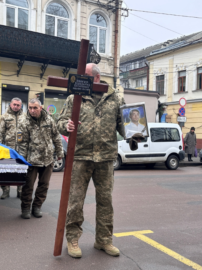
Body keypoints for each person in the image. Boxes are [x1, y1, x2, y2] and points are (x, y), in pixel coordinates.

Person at [57, 63, 125, 258]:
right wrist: (66, 125)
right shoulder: (74, 97)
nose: (80, 78)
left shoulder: (115, 99)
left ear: (95, 77)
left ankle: (103, 240)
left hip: (105, 158)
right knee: (76, 201)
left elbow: (124, 126)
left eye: (84, 75)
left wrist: (137, 133)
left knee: (105, 201)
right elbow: (60, 122)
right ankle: (72, 239)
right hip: (80, 156)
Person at [18, 98, 63, 219]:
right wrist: (22, 161)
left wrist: (59, 152)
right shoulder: (24, 122)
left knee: (44, 185)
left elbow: (56, 137)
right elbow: (22, 144)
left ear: (40, 108)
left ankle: (37, 206)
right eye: (30, 108)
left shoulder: (49, 119)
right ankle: (26, 208)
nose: (32, 110)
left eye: (35, 108)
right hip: (31, 160)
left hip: (47, 159)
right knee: (28, 185)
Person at [0, 97, 27, 199]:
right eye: (14, 104)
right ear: (10, 104)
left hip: (21, 149)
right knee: (6, 171)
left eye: (18, 105)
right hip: (8, 149)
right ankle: (5, 191)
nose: (15, 107)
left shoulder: (25, 117)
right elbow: (0, 133)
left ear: (21, 106)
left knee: (21, 171)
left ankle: (20, 191)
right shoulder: (4, 117)